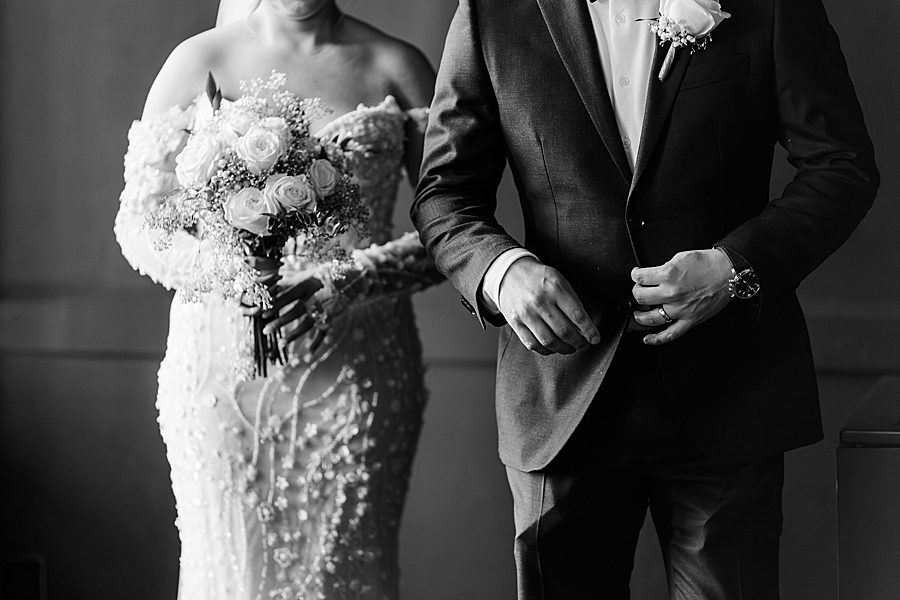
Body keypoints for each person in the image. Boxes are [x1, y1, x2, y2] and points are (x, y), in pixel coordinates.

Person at [412, 0, 878, 597]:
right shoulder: (492, 13)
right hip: (563, 398)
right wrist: (503, 273)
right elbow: (443, 194)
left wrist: (733, 266)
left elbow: (841, 166)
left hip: (729, 389)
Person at [114, 1, 439, 598]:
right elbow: (138, 225)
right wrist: (229, 269)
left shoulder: (398, 64)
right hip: (221, 370)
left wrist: (345, 280)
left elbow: (452, 234)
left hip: (356, 371)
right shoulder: (198, 61)